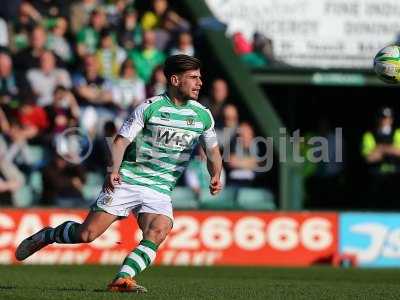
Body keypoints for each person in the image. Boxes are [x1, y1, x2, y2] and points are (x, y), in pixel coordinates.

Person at [15, 55, 223, 293]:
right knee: (87, 234)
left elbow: (213, 151)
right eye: (193, 78)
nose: (199, 83)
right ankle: (47, 235)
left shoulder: (202, 115)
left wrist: (215, 175)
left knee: (158, 231)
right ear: (175, 80)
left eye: (200, 78)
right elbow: (121, 141)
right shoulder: (150, 108)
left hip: (160, 188)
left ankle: (122, 278)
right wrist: (113, 170)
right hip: (128, 179)